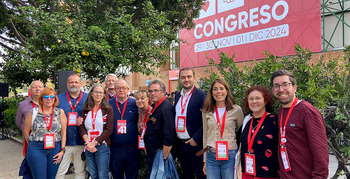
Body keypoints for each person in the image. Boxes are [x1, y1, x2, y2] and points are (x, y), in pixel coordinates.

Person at [270, 70, 329, 178]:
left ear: (294, 87)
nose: (281, 89)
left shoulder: (308, 112)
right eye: (277, 86)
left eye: (285, 85)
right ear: (273, 90)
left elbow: (320, 153)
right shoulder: (281, 111)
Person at [201, 79, 244, 179]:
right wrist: (205, 161)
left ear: (227, 91)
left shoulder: (236, 109)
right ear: (211, 93)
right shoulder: (206, 111)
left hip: (230, 156)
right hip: (211, 156)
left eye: (221, 88)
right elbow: (205, 135)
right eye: (215, 89)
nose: (218, 92)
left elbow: (242, 132)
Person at [23, 88, 67, 179]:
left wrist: (62, 150)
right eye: (46, 96)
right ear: (41, 98)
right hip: (36, 148)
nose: (49, 99)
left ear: (55, 98)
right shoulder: (33, 112)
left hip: (55, 148)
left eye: (52, 96)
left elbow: (63, 132)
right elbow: (26, 132)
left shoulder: (60, 112)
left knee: (51, 177)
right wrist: (33, 146)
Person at [239, 86, 279, 179]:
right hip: (247, 172)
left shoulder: (274, 120)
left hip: (268, 174)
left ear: (265, 101)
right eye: (251, 99)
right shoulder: (247, 121)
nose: (254, 101)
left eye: (258, 98)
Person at [173, 67, 206, 179]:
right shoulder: (177, 96)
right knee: (187, 175)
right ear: (179, 80)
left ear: (194, 78)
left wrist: (196, 139)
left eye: (189, 77)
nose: (186, 79)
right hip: (181, 144)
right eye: (183, 77)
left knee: (200, 175)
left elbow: (206, 121)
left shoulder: (201, 96)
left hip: (196, 144)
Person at [56, 74, 88, 179]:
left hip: (81, 141)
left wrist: (84, 120)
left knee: (80, 171)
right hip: (64, 142)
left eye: (76, 82)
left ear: (81, 84)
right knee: (60, 172)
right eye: (71, 82)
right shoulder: (58, 99)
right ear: (67, 84)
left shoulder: (88, 98)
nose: (73, 84)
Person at [79, 83, 114, 179]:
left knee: (103, 176)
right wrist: (88, 143)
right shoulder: (86, 109)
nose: (98, 94)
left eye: (101, 92)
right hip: (88, 146)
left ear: (103, 95)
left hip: (102, 146)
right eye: (96, 92)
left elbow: (109, 129)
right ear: (91, 94)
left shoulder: (108, 109)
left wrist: (94, 143)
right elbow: (82, 127)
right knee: (93, 175)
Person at [109, 79, 140, 179]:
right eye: (118, 88)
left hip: (132, 146)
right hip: (115, 147)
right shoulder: (108, 104)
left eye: (123, 88)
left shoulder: (135, 103)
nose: (121, 90)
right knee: (117, 174)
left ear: (128, 89)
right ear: (115, 89)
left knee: (132, 174)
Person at [144, 80, 176, 175]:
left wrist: (163, 158)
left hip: (160, 156)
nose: (153, 93)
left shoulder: (165, 109)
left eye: (156, 90)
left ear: (163, 92)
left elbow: (169, 136)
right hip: (154, 153)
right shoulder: (156, 106)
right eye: (150, 91)